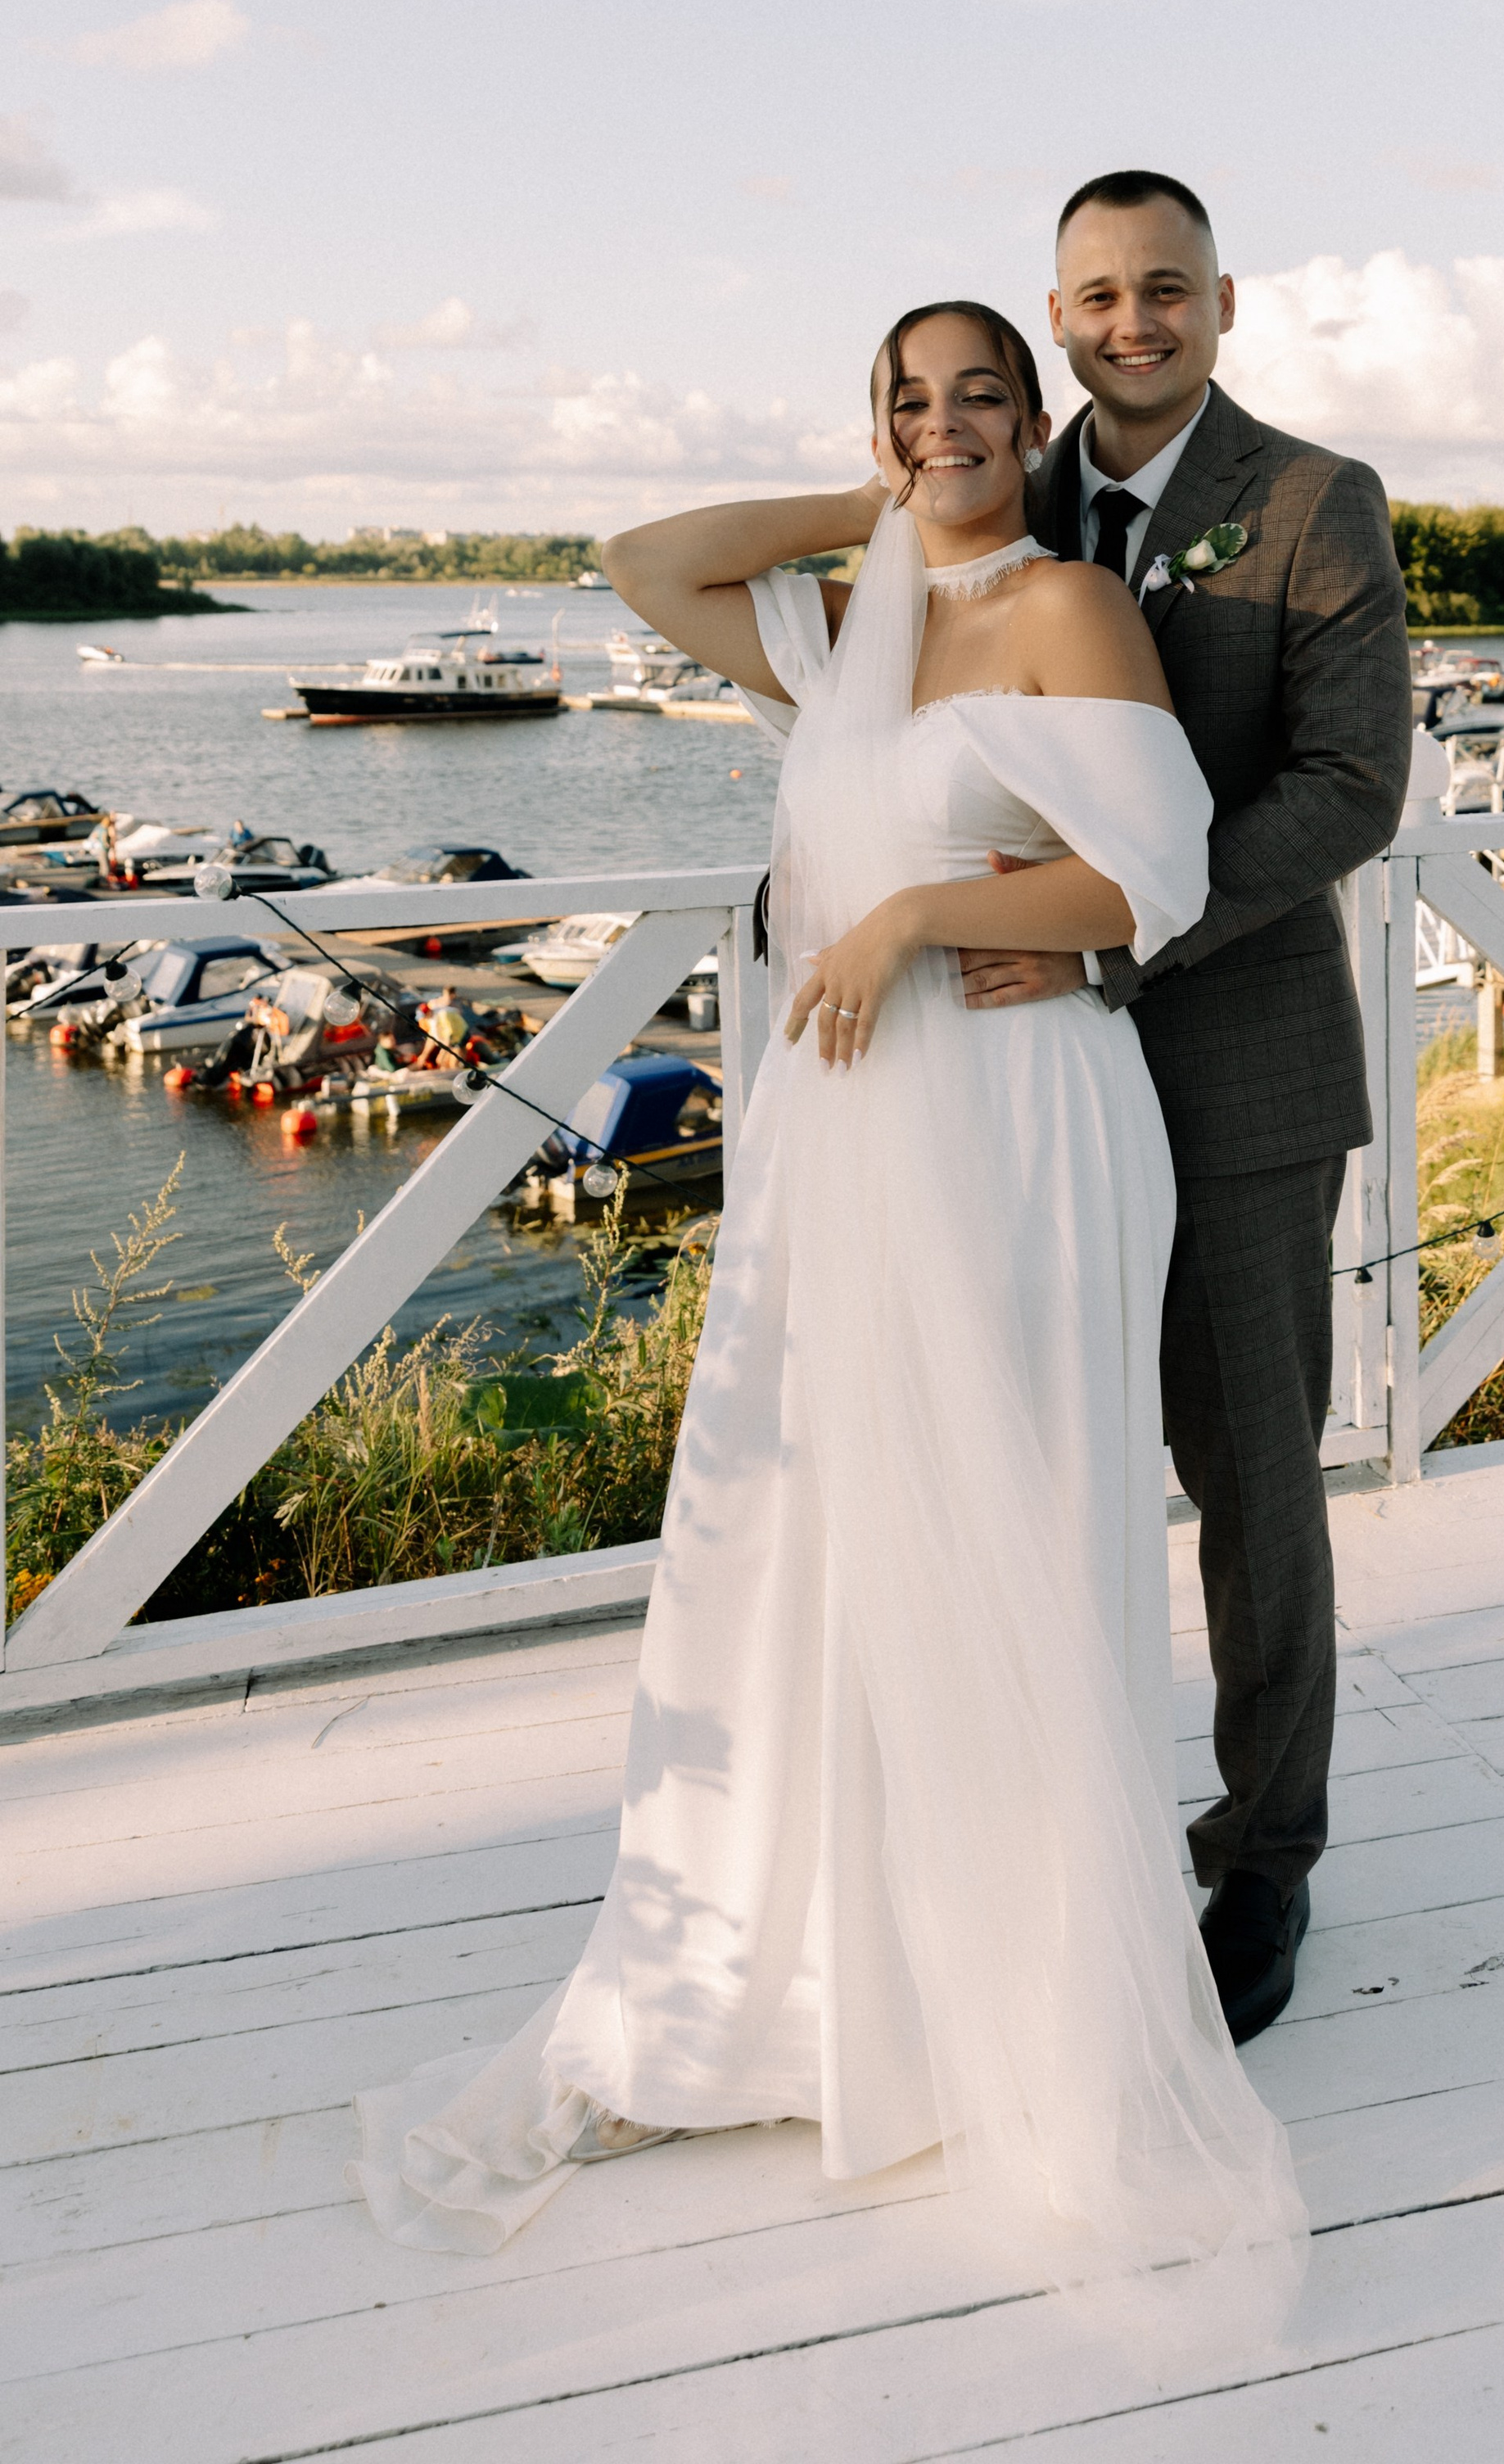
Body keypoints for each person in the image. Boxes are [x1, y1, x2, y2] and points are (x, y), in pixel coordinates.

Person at [350, 298, 1306, 2339]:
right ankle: (783, 1995)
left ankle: (1007, 1997)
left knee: (1005, 1524)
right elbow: (641, 567)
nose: (942, 426)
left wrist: (911, 910)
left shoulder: (1066, 606)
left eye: (978, 398)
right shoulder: (839, 618)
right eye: (907, 399)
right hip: (848, 1137)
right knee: (802, 1530)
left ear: (1036, 421)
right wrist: (870, 497)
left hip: (1022, 1121)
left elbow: (1144, 878)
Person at [959, 172, 1411, 2044]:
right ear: (1048, 316)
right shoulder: (992, 501)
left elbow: (1346, 788)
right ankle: (1048, 1826)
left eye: (1163, 289)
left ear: (1221, 302)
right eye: (1093, 295)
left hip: (1232, 1070)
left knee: (1246, 1484)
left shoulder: (1313, 503)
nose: (1128, 322)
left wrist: (1111, 945)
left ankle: (1265, 1851)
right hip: (1012, 1085)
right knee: (1036, 1464)